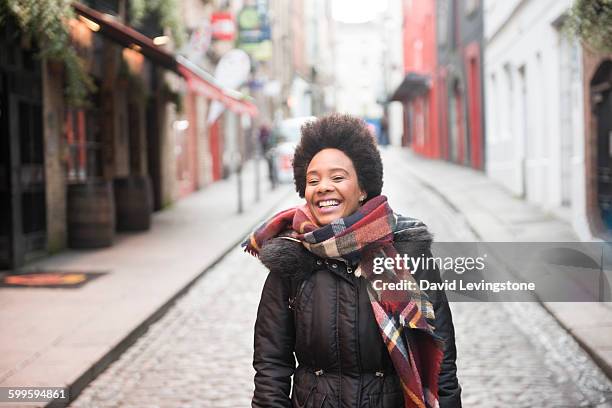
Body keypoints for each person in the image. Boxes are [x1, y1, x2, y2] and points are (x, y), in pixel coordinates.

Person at [243, 113, 462, 408]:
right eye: (313, 180)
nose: (323, 187)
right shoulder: (290, 260)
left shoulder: (407, 252)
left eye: (337, 177)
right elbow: (271, 366)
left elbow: (442, 365)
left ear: (362, 188)